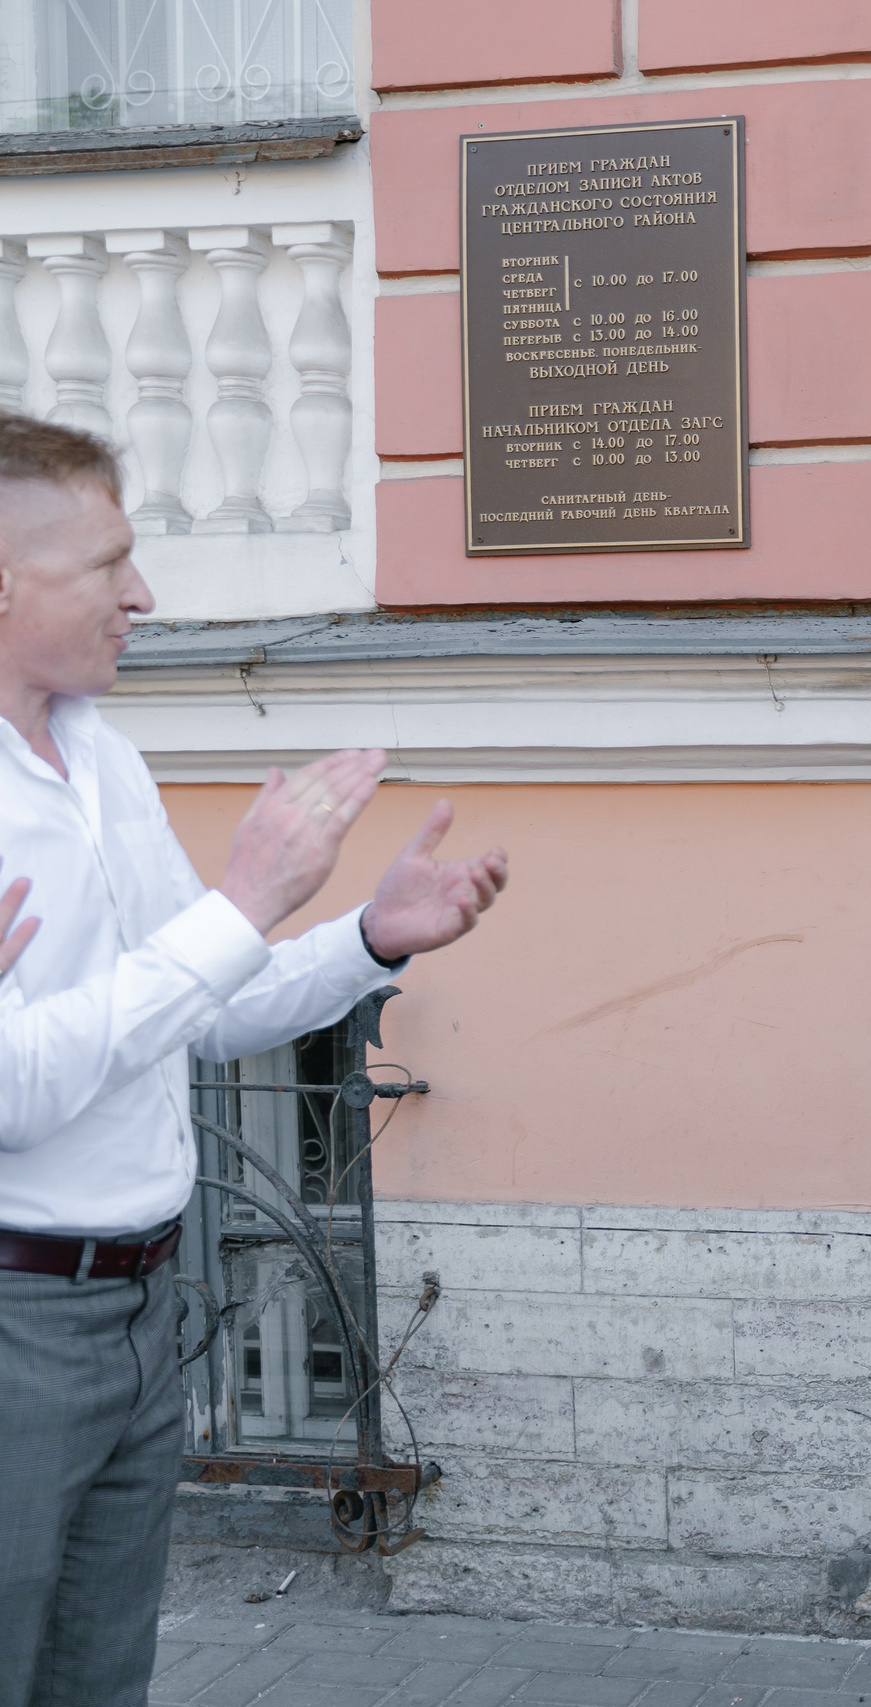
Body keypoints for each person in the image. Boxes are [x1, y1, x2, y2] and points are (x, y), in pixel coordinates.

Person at [0, 416, 508, 1707]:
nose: (142, 595)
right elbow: (18, 1092)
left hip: (140, 1305)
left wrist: (364, 934)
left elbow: (203, 1001)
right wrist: (241, 902)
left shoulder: (102, 758)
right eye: (107, 562)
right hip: (17, 1321)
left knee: (98, 1676)